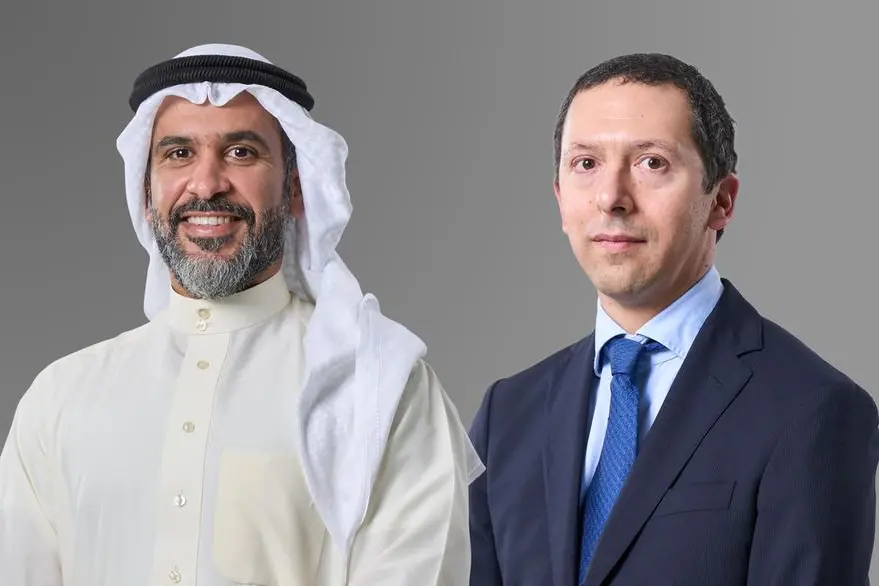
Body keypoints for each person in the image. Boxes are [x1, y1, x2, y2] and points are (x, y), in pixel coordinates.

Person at [0, 43, 483, 586]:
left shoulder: (381, 386)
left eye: (241, 152)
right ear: (146, 192)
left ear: (295, 188)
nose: (207, 184)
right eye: (178, 154)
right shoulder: (60, 398)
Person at [468, 53, 879, 585]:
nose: (611, 198)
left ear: (721, 201)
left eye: (651, 163)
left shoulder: (812, 409)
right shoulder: (508, 414)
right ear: (560, 198)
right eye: (586, 164)